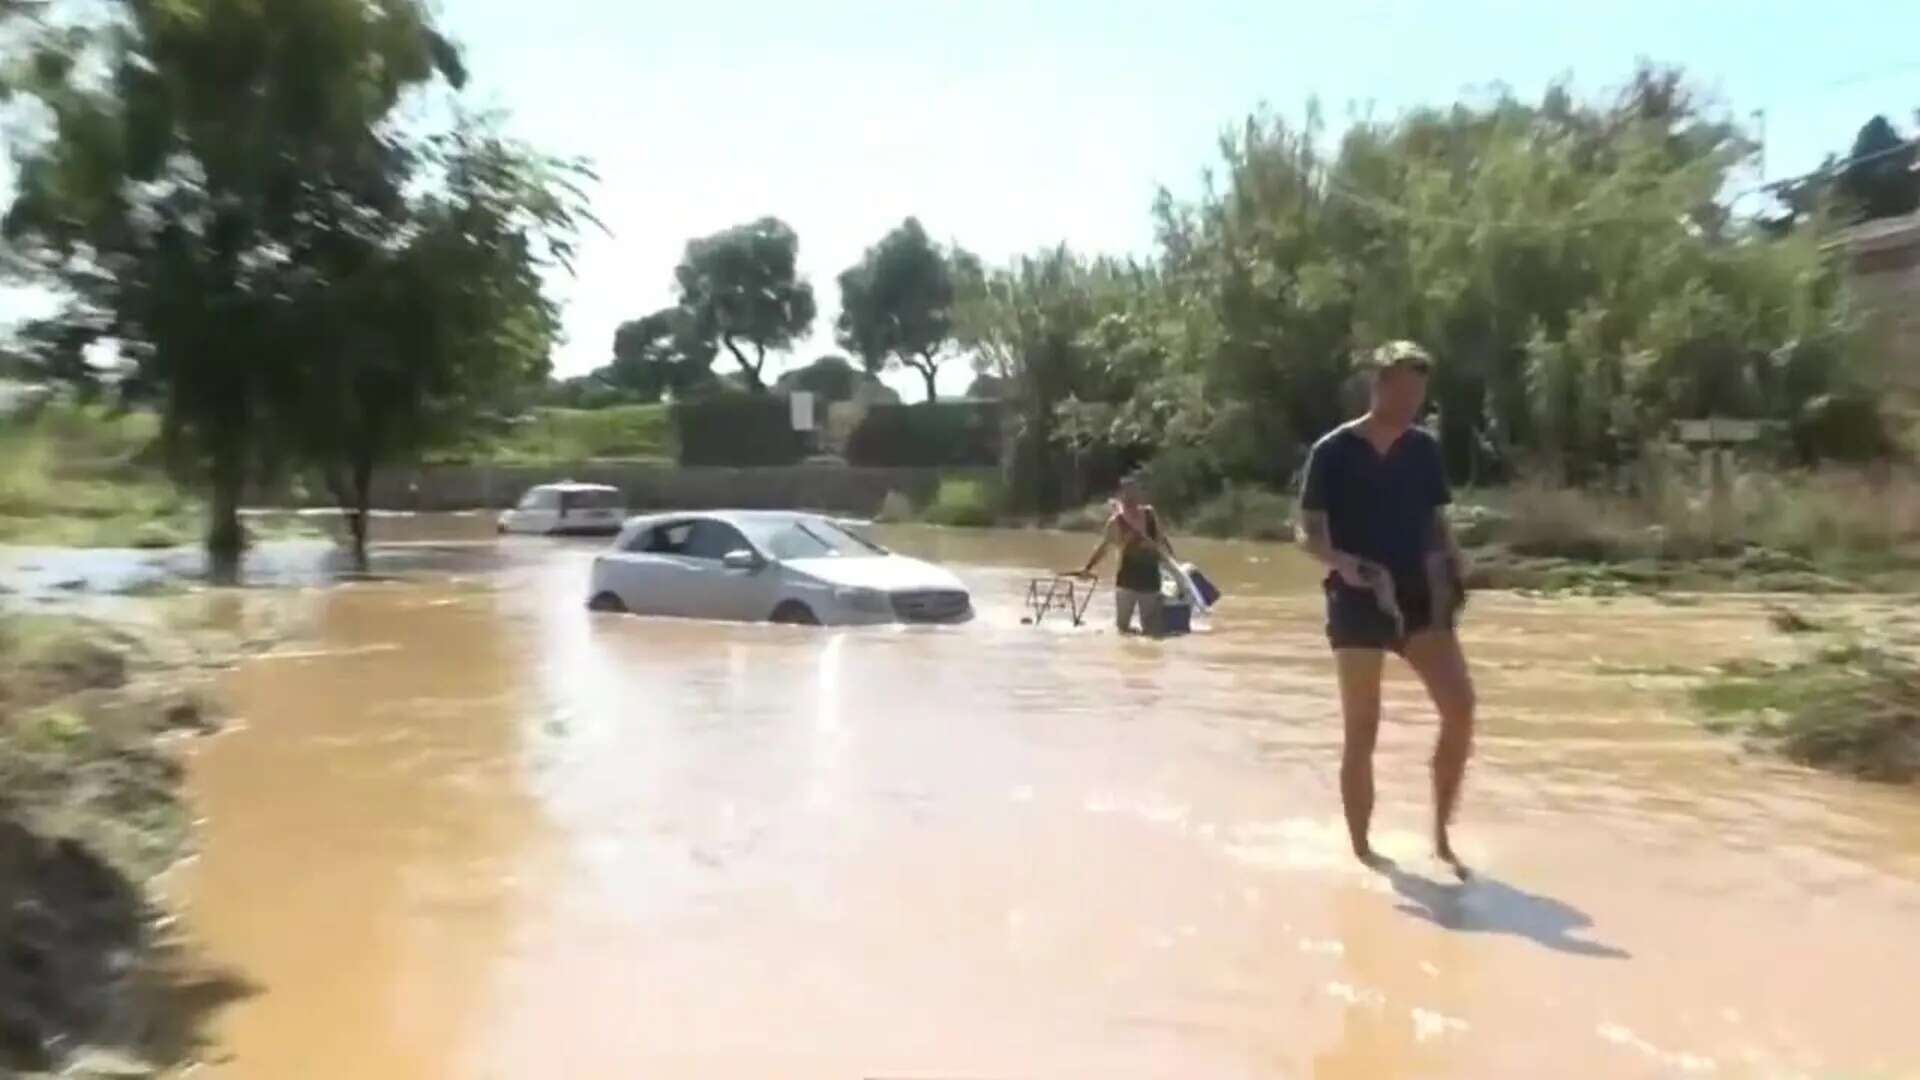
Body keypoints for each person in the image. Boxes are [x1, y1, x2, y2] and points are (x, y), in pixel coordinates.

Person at [1296, 340, 1476, 876]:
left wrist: (1457, 565)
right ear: (1379, 385)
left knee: (1461, 709)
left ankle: (1441, 838)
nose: (1413, 401)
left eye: (1420, 391)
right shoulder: (1331, 451)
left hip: (1420, 594)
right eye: (1403, 388)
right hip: (1357, 596)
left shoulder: (1424, 449)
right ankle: (1363, 852)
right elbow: (1307, 532)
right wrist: (1341, 562)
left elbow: (1437, 524)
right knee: (1363, 728)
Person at [1070, 475, 1177, 635]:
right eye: (1127, 493)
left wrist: (1175, 564)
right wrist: (1088, 568)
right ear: (1121, 495)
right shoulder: (1116, 522)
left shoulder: (1150, 514)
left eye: (1134, 492)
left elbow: (1161, 538)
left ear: (1139, 494)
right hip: (1126, 579)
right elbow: (1103, 547)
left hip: (1150, 579)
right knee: (1122, 629)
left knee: (1150, 630)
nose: (1131, 497)